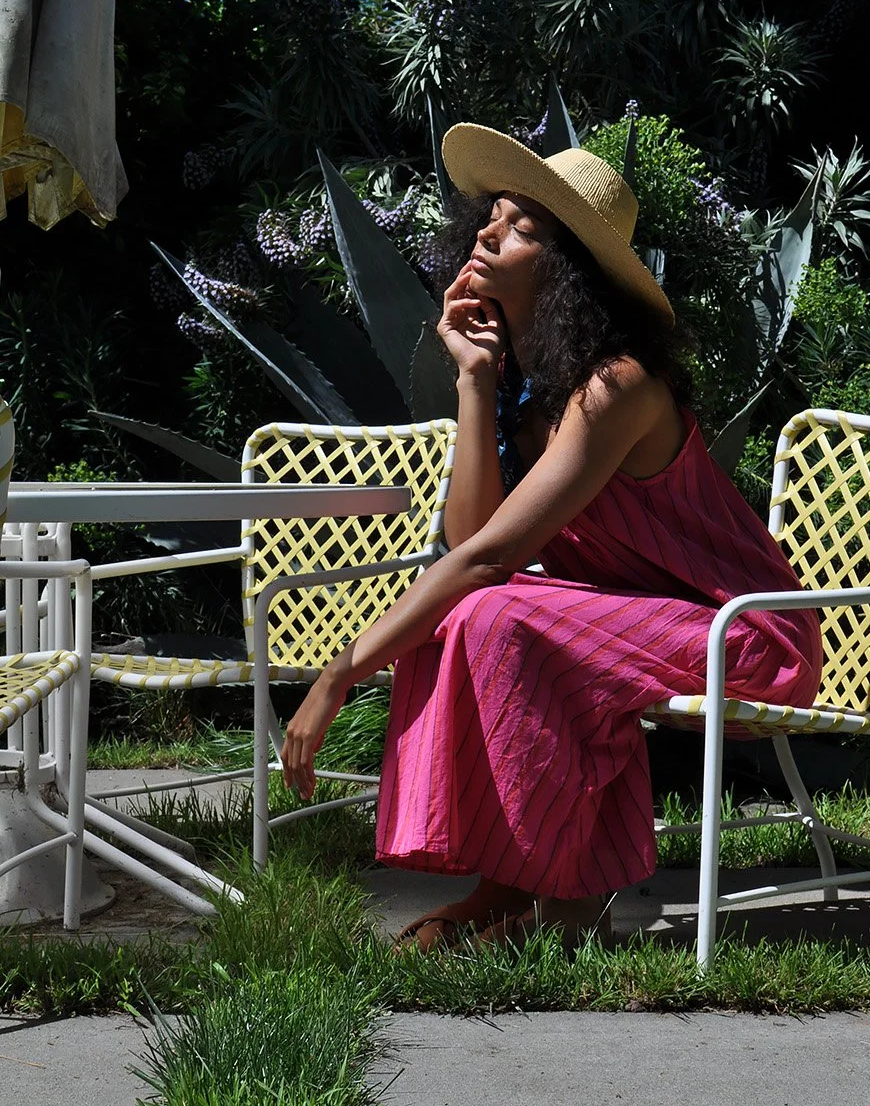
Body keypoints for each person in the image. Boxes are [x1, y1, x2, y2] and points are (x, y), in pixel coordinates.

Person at [280, 124, 822, 951]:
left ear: (568, 268)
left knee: (492, 614)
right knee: (466, 614)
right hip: (640, 621)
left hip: (744, 636)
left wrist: (342, 670)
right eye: (490, 217)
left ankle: (531, 894)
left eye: (522, 226)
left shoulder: (618, 384)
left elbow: (486, 558)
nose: (489, 233)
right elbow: (476, 540)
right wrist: (472, 377)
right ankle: (539, 891)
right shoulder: (536, 395)